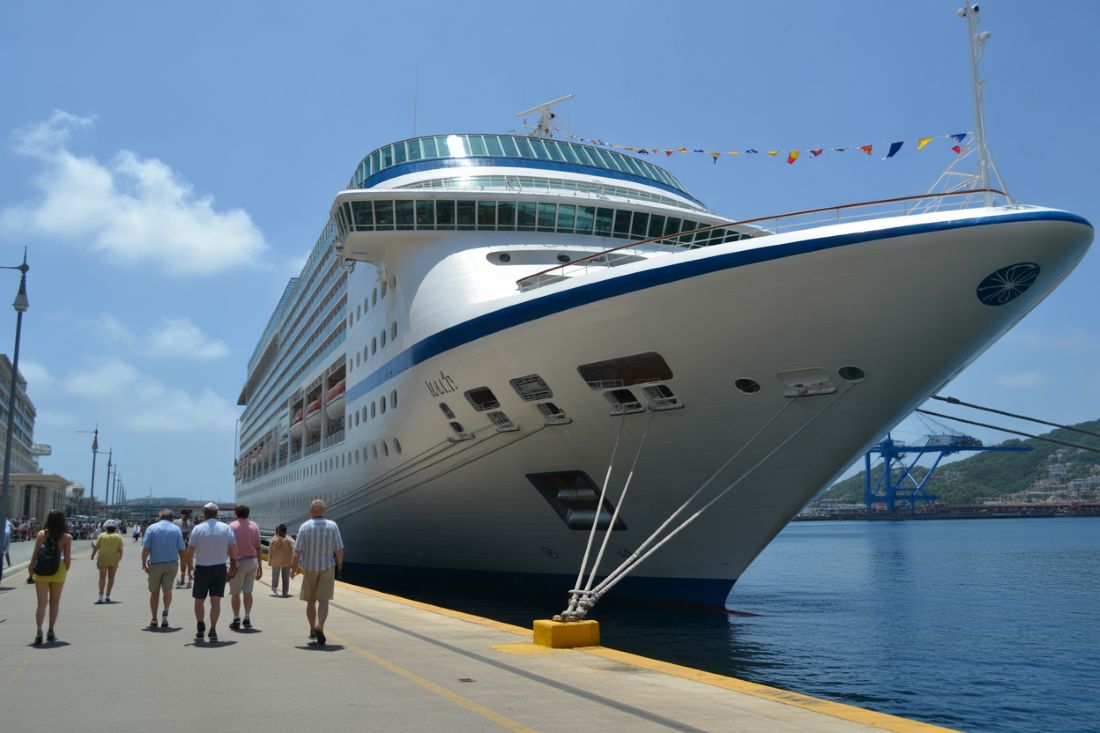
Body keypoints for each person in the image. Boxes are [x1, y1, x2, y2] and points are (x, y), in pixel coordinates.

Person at [291, 499, 343, 647]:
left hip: (310, 568)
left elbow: (297, 552)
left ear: (310, 511)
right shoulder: (333, 526)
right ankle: (321, 626)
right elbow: (339, 548)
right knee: (324, 600)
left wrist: (293, 570)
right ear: (324, 511)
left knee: (311, 601)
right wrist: (340, 563)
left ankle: (313, 629)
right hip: (327, 567)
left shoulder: (305, 527)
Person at [185, 503, 238, 643]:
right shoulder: (225, 528)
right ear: (217, 514)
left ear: (204, 514)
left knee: (199, 599)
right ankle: (213, 629)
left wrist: (189, 568)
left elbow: (190, 551)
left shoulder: (198, 528)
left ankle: (200, 625)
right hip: (220, 568)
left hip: (202, 568)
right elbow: (233, 548)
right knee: (215, 601)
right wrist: (234, 564)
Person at [28, 510, 73, 645]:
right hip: (58, 571)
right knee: (54, 604)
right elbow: (68, 560)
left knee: (41, 604)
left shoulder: (42, 534)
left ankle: (38, 632)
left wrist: (31, 569)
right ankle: (51, 631)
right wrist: (64, 570)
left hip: (41, 571)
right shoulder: (67, 537)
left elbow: (35, 553)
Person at [141, 509, 187, 628]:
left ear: (159, 517)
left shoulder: (151, 528)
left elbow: (146, 548)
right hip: (171, 564)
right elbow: (182, 550)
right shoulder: (176, 529)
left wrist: (143, 563)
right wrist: (183, 566)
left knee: (154, 592)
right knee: (167, 591)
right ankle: (165, 615)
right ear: (172, 518)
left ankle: (154, 618)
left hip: (155, 563)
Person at [227, 504, 262, 630]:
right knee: (248, 592)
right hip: (252, 562)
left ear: (236, 514)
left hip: (237, 563)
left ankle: (236, 618)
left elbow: (229, 547)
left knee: (235, 593)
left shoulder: (231, 526)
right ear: (248, 513)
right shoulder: (254, 526)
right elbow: (258, 547)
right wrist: (260, 567)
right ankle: (247, 617)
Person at [90, 520, 124, 603]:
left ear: (105, 528)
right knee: (111, 578)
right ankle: (108, 596)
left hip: (103, 557)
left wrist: (92, 555)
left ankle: (100, 596)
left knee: (102, 577)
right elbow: (120, 550)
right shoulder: (118, 537)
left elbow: (96, 547)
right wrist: (119, 559)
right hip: (113, 558)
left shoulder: (101, 535)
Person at [268, 524, 293, 597]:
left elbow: (292, 551)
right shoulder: (274, 539)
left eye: (279, 531)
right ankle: (274, 587)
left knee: (285, 577)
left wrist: (292, 562)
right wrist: (270, 561)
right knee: (275, 575)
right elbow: (270, 550)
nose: (277, 532)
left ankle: (285, 591)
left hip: (286, 561)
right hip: (276, 560)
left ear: (282, 531)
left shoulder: (289, 540)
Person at [175, 509, 195, 588]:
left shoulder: (177, 522)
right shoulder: (190, 522)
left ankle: (183, 579)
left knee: (184, 562)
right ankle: (187, 579)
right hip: (187, 544)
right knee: (188, 562)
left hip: (182, 544)